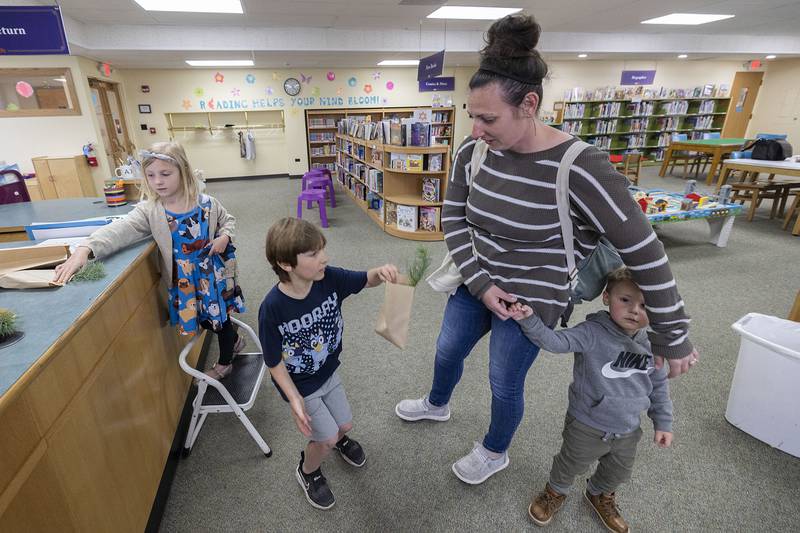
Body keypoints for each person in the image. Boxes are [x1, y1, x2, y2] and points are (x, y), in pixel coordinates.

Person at [395, 13, 698, 485]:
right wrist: (480, 282)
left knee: (503, 381)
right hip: (477, 281)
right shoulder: (471, 153)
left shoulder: (581, 167)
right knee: (447, 349)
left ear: (529, 104)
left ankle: (494, 451)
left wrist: (674, 334)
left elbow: (645, 252)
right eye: (471, 116)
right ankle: (437, 403)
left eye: (488, 118)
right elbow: (451, 219)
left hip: (532, 303)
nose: (476, 129)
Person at [54, 142, 246, 380]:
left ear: (183, 171)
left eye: (165, 174)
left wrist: (225, 236)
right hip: (185, 282)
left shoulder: (206, 203)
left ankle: (225, 363)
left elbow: (229, 220)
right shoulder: (151, 210)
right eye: (151, 175)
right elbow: (122, 229)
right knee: (205, 320)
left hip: (212, 278)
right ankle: (235, 342)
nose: (158, 181)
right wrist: (86, 248)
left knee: (221, 322)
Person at [509, 268, 672, 533]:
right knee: (570, 463)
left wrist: (663, 422)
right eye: (625, 300)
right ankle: (555, 491)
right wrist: (529, 320)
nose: (634, 311)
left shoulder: (653, 344)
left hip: (629, 426)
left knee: (617, 471)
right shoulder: (592, 332)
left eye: (644, 305)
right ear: (607, 297)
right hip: (587, 421)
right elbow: (555, 342)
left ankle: (599, 494)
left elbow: (659, 385)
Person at [259, 217, 398, 510]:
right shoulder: (272, 308)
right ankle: (308, 471)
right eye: (313, 254)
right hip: (301, 385)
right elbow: (273, 361)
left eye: (322, 250)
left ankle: (337, 440)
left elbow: (365, 278)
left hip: (328, 372)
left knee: (345, 424)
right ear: (286, 264)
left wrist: (381, 272)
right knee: (325, 439)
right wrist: (294, 398)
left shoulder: (329, 279)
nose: (325, 258)